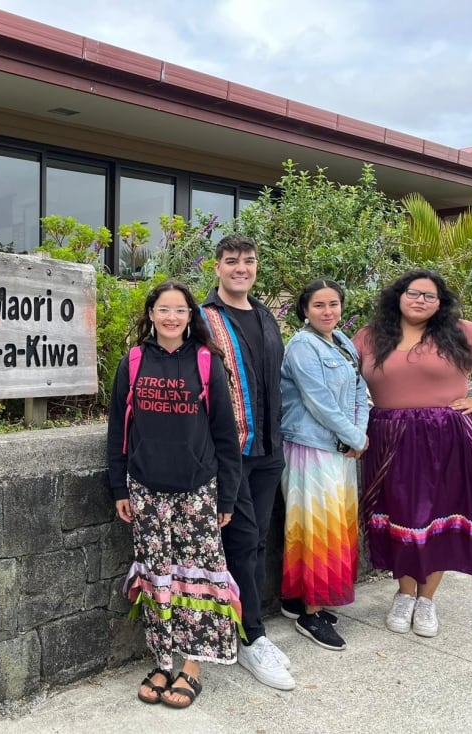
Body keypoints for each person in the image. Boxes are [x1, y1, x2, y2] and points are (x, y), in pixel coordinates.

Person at [107, 280, 243, 709]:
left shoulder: (206, 363)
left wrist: (227, 498)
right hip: (146, 490)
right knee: (158, 576)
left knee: (198, 577)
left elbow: (225, 435)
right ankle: (164, 661)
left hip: (197, 491)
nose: (171, 317)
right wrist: (118, 486)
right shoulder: (132, 362)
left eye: (180, 310)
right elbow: (117, 433)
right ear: (151, 314)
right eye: (163, 309)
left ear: (190, 316)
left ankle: (193, 665)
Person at [353, 269, 472, 638]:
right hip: (391, 439)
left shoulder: (459, 331)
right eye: (413, 292)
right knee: (401, 516)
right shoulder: (369, 337)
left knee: (439, 515)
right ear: (398, 295)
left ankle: (426, 599)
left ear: (441, 303)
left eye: (429, 295)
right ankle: (405, 593)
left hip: (449, 436)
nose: (420, 300)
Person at [201, 234, 295, 691]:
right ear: (216, 266)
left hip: (269, 451)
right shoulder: (204, 319)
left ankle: (248, 629)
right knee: (240, 543)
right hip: (232, 454)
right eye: (232, 261)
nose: (242, 268)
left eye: (249, 261)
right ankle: (249, 636)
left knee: (257, 541)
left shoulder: (264, 315)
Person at [279, 279, 369, 651]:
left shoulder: (343, 343)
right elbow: (318, 402)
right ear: (305, 310)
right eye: (319, 305)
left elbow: (361, 390)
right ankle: (310, 613)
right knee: (316, 528)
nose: (328, 311)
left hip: (342, 449)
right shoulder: (302, 346)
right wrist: (355, 436)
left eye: (334, 304)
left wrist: (358, 434)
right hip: (310, 449)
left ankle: (301, 596)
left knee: (335, 524)